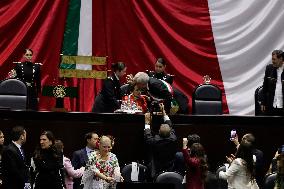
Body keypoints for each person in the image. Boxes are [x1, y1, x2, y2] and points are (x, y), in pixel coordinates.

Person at [144, 103, 177, 179]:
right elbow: (170, 125)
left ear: (158, 132)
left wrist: (147, 122)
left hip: (156, 168)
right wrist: (164, 112)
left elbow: (147, 135)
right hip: (170, 166)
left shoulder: (154, 141)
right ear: (170, 133)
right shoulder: (173, 138)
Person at [261, 50, 284, 115]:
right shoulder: (269, 68)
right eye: (272, 59)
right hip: (272, 106)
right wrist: (263, 102)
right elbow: (265, 87)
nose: (272, 61)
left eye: (274, 59)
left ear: (281, 59)